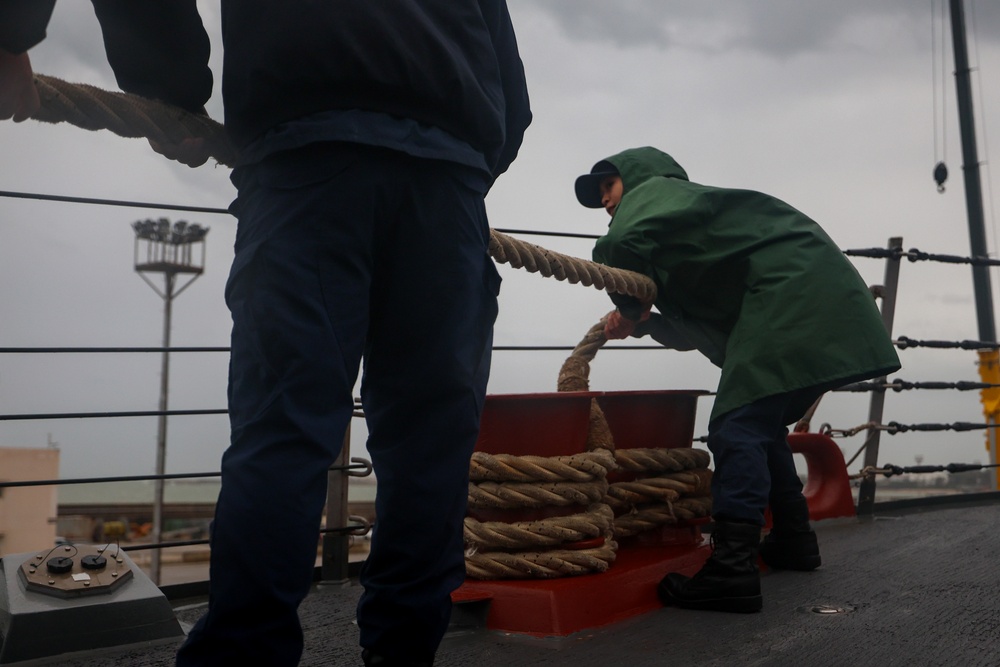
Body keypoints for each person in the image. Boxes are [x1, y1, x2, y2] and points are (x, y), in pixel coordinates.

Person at [1, 1, 531, 665]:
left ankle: (245, 651)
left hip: (308, 158)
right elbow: (507, 70)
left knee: (286, 429)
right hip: (448, 183)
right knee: (431, 446)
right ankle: (404, 652)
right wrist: (466, 155)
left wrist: (167, 92)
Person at [575, 146, 900, 614]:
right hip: (811, 294)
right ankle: (793, 539)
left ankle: (732, 570)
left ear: (638, 176)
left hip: (792, 294)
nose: (605, 201)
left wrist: (629, 306)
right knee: (759, 422)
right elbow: (698, 330)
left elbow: (614, 246)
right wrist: (644, 322)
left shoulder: (654, 193)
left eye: (609, 186)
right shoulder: (683, 231)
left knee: (735, 427)